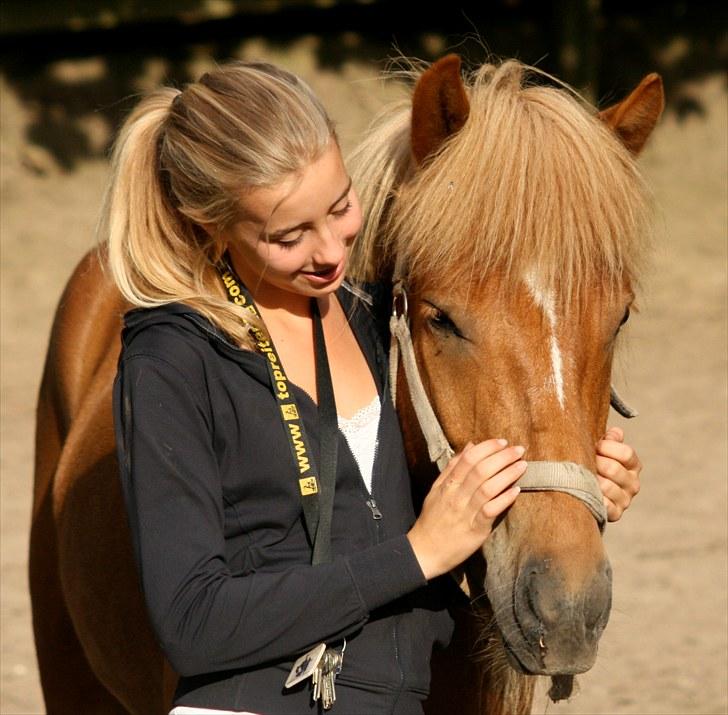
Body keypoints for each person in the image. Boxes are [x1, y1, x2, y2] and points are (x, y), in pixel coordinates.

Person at [107, 61, 642, 715]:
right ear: (211, 224)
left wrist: (567, 481)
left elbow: (418, 503)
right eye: (289, 235)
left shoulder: (374, 318)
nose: (332, 251)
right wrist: (419, 552)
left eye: (339, 206)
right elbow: (192, 622)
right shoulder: (173, 359)